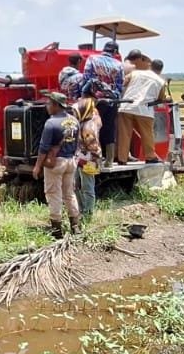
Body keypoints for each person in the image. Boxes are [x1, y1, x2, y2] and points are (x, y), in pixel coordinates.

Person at [32, 92, 81, 238]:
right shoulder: (74, 121)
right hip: (70, 161)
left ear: (55, 105)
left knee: (53, 194)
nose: (47, 106)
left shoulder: (51, 123)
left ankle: (57, 231)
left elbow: (43, 147)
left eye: (48, 103)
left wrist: (37, 166)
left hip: (56, 163)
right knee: (69, 194)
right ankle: (76, 227)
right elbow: (77, 142)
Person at [79, 40, 125, 167]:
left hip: (94, 101)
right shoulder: (118, 64)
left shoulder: (92, 59)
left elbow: (86, 78)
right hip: (111, 102)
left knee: (92, 128)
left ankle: (95, 160)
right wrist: (113, 96)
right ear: (115, 51)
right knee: (109, 128)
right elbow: (120, 85)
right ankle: (109, 161)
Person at [116, 51, 165, 164]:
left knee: (124, 134)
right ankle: (150, 156)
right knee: (147, 134)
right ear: (160, 70)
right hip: (144, 110)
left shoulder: (136, 73)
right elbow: (161, 97)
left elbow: (123, 84)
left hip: (126, 106)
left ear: (150, 66)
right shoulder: (160, 81)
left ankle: (122, 158)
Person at [72, 93, 102, 220]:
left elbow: (92, 147)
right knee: (77, 185)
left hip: (88, 160)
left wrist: (93, 162)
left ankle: (87, 213)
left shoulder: (88, 127)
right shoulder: (86, 121)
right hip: (81, 159)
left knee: (87, 187)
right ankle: (82, 209)